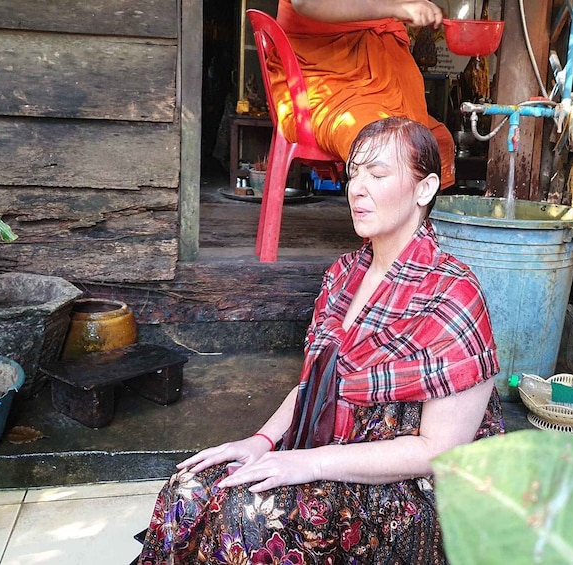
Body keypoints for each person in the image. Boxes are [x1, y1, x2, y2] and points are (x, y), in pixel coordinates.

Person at [137, 117, 503, 564]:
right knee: (190, 487)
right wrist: (262, 442)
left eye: (379, 174)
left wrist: (308, 463)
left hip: (403, 488)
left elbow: (437, 452)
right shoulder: (344, 275)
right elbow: (312, 389)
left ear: (424, 189)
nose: (357, 188)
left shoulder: (453, 292)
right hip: (323, 453)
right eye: (354, 173)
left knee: (250, 512)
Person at [270, 0, 458, 189]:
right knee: (381, 146)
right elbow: (306, 3)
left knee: (437, 143)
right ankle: (380, 216)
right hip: (324, 86)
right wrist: (396, 9)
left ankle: (416, 218)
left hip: (376, 87)